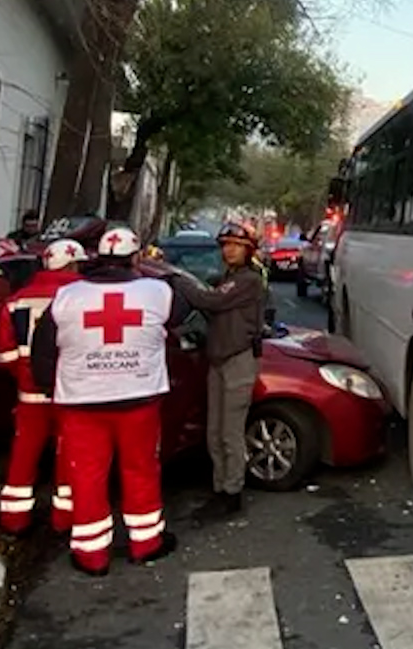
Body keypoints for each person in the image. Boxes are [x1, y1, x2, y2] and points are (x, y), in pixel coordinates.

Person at [29, 226, 177, 575]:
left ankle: (91, 556)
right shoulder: (158, 292)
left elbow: (43, 352)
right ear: (137, 257)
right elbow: (184, 314)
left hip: (82, 403)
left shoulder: (67, 297)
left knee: (87, 476)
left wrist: (54, 389)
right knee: (140, 469)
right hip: (139, 398)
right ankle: (146, 543)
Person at [162, 221, 267, 525]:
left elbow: (211, 301)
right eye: (225, 245)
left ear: (248, 251)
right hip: (219, 360)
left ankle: (231, 493)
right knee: (214, 432)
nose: (228, 250)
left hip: (237, 361)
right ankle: (220, 487)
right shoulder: (228, 278)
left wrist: (178, 281)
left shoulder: (248, 280)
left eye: (235, 245)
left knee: (230, 432)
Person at [0, 239, 87, 535]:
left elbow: (5, 355)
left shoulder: (16, 301)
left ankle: (14, 518)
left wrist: (24, 376)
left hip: (30, 393)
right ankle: (65, 519)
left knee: (24, 453)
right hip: (71, 391)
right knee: (69, 454)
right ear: (73, 264)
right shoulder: (82, 297)